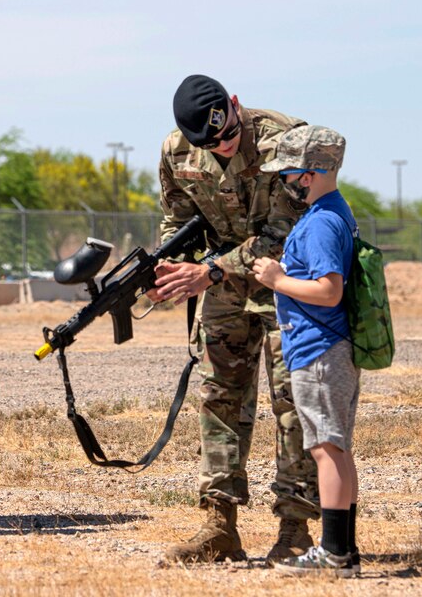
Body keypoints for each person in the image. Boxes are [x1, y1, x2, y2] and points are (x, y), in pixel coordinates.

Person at [148, 74, 320, 564]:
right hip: (221, 287)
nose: (224, 148)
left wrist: (209, 270)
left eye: (228, 135)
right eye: (212, 144)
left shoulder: (286, 139)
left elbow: (289, 231)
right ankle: (219, 525)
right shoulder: (176, 151)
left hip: (288, 283)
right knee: (219, 398)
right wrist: (165, 265)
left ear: (236, 105)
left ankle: (295, 528)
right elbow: (177, 219)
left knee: (293, 401)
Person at [251, 125, 361, 577]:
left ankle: (334, 554)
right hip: (327, 349)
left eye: (287, 174)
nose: (284, 183)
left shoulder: (320, 222)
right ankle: (344, 550)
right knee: (336, 447)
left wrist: (277, 280)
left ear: (309, 174)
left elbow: (328, 290)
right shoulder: (335, 212)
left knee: (326, 449)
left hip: (318, 350)